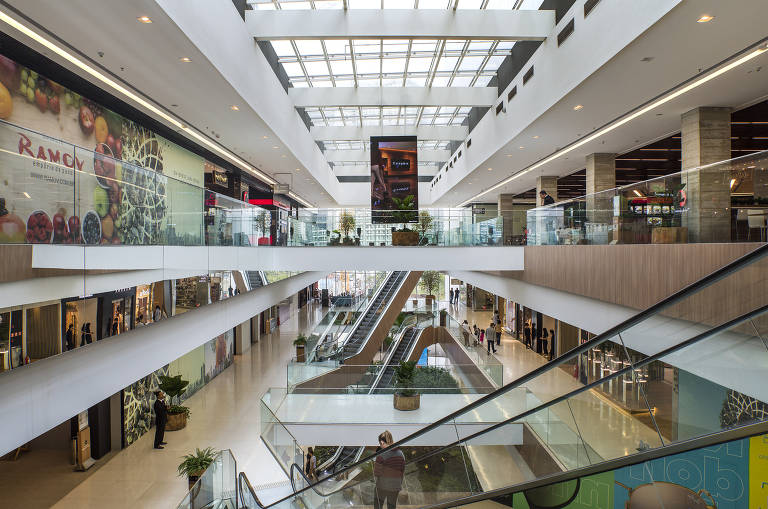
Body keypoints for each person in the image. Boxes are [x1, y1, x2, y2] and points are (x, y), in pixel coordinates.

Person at [374, 431, 405, 509]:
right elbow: (402, 471)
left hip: (383, 486)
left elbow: (377, 473)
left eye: (380, 443)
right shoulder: (401, 453)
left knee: (378, 505)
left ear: (382, 442)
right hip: (396, 486)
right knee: (391, 506)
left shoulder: (381, 455)